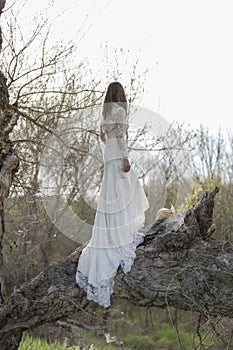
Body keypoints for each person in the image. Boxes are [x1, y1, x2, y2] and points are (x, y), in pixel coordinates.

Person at [76, 81, 149, 307]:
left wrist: (108, 156)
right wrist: (124, 158)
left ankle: (112, 232)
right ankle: (122, 233)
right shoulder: (119, 110)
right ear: (121, 94)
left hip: (109, 160)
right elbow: (120, 136)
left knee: (112, 198)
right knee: (129, 192)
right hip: (117, 158)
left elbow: (102, 138)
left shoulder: (104, 113)